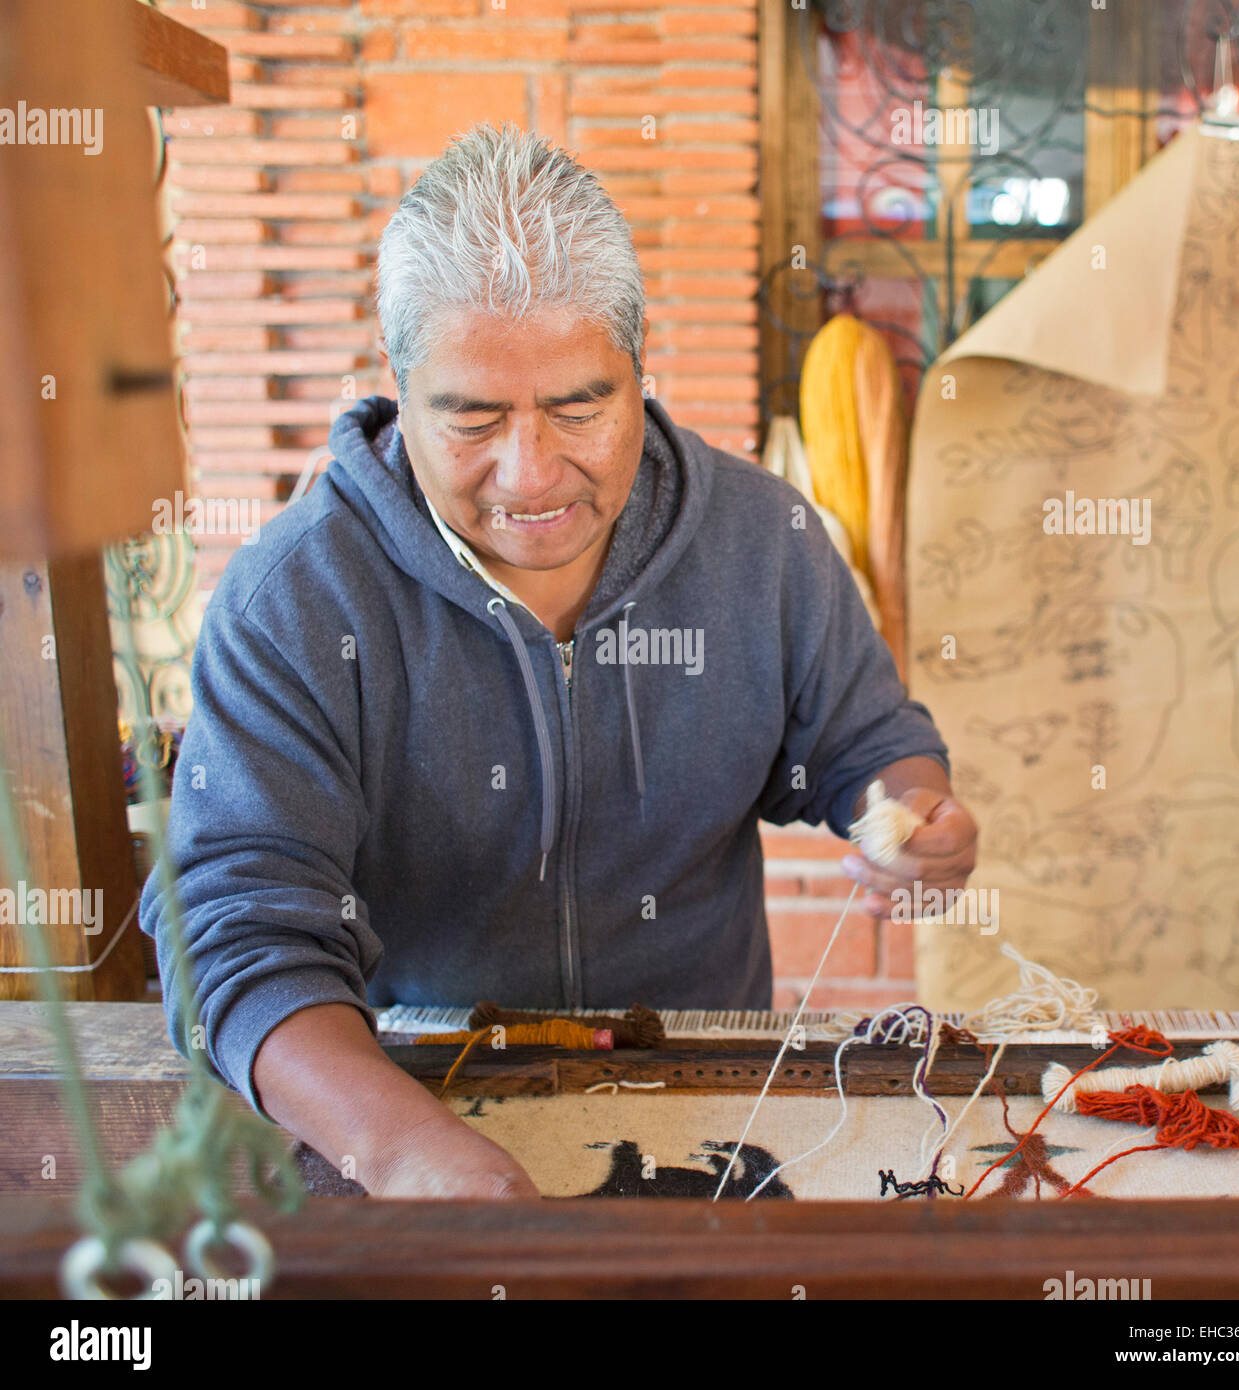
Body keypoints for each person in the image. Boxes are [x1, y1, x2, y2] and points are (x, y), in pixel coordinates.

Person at [140, 121, 977, 1200]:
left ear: (638, 370)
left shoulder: (762, 542)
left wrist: (911, 813)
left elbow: (867, 745)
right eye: (473, 418)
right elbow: (236, 921)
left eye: (581, 406)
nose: (531, 474)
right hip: (410, 1107)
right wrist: (401, 1150)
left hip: (713, 1109)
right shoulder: (299, 596)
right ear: (401, 388)